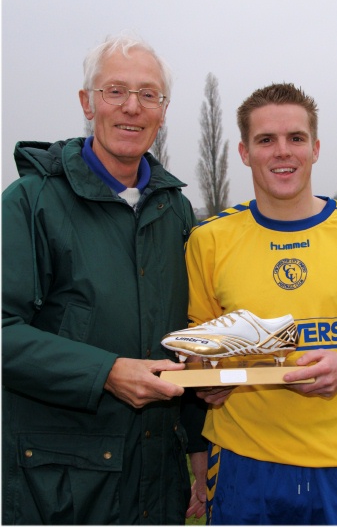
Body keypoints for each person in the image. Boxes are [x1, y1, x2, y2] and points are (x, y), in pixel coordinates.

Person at [2, 32, 208, 525]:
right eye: (115, 91)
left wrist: (199, 445)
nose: (132, 107)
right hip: (61, 491)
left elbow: (183, 338)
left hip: (158, 484)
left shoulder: (176, 210)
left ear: (163, 110)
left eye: (148, 94)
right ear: (88, 103)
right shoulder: (29, 202)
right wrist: (107, 372)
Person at [181, 83, 337, 525]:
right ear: (244, 152)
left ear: (315, 148)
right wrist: (204, 376)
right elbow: (196, 342)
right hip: (244, 464)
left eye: (295, 138)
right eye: (266, 140)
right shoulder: (209, 240)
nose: (283, 152)